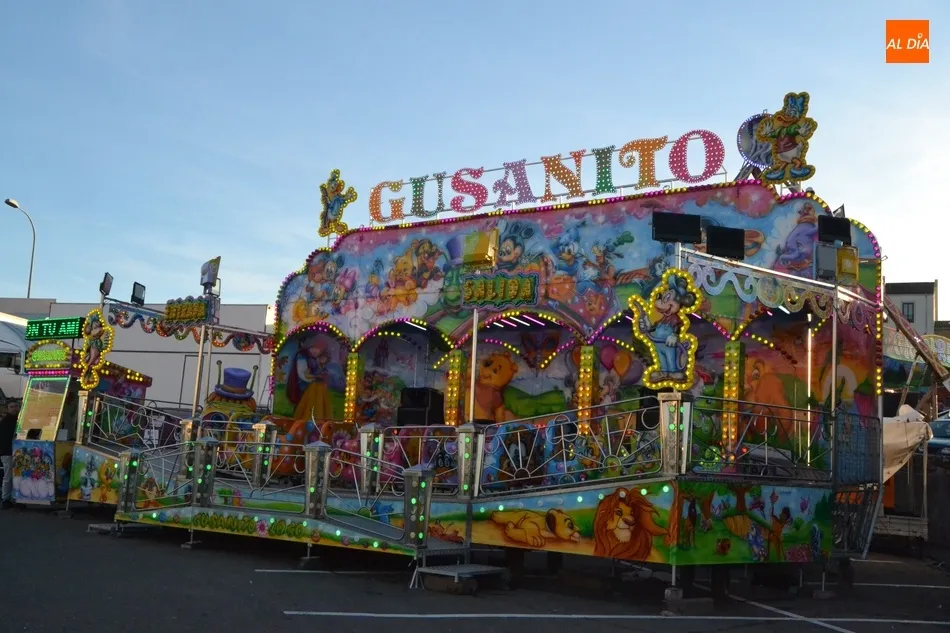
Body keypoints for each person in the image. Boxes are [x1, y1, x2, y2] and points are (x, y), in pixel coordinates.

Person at [1, 401, 18, 509]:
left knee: (16, 476)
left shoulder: (17, 420)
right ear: (7, 409)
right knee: (8, 476)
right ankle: (5, 499)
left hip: (15, 451)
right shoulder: (5, 422)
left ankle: (14, 498)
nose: (14, 408)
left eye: (16, 406)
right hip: (7, 452)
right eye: (12, 407)